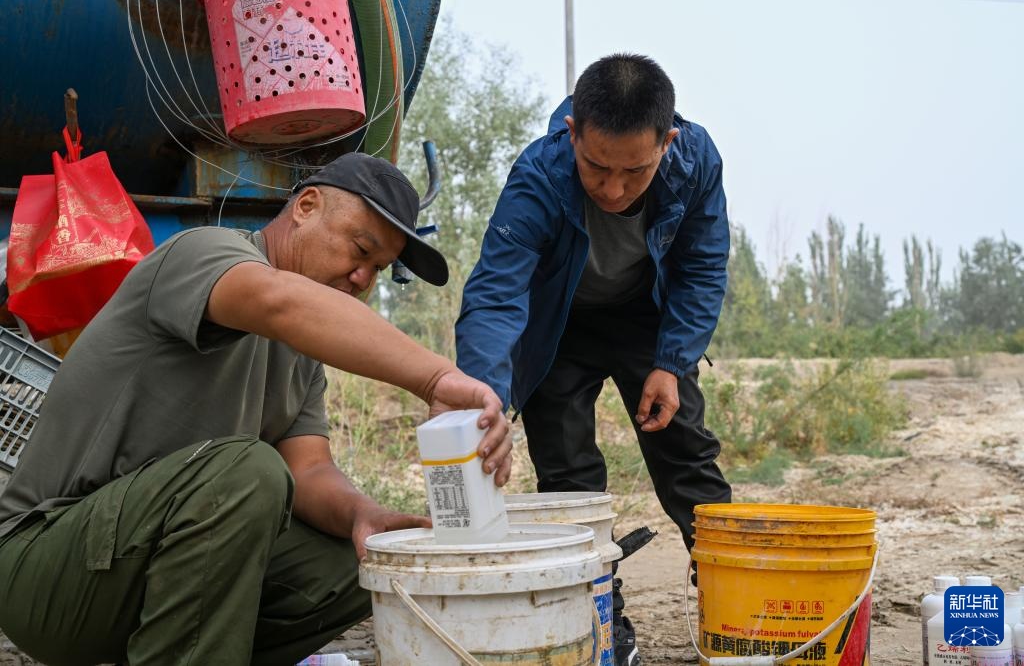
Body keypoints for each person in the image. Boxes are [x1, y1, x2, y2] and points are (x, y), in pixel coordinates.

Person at [0, 153, 512, 666]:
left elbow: (308, 470)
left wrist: (366, 515)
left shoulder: (304, 355)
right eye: (361, 249)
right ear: (306, 207)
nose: (363, 277)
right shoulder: (202, 253)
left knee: (363, 564)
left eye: (378, 268)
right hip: (42, 566)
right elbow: (277, 302)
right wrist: (435, 378)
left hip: (137, 564)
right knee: (247, 474)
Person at [456, 53, 732, 666]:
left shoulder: (697, 162)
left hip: (647, 318)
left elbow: (703, 266)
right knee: (567, 472)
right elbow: (497, 293)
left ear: (667, 142)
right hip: (560, 325)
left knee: (685, 450)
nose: (612, 190)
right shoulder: (538, 173)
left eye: (635, 171)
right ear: (572, 133)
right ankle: (602, 620)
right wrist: (481, 395)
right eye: (596, 167)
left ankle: (736, 593)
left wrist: (673, 360)